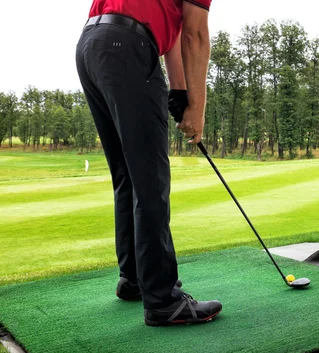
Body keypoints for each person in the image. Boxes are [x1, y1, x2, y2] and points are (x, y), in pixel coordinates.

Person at [75, 0, 222, 326]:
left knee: (128, 175)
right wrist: (196, 110)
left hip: (92, 44)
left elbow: (173, 34)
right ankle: (163, 300)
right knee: (150, 180)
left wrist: (180, 93)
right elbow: (195, 35)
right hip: (127, 46)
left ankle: (136, 279)